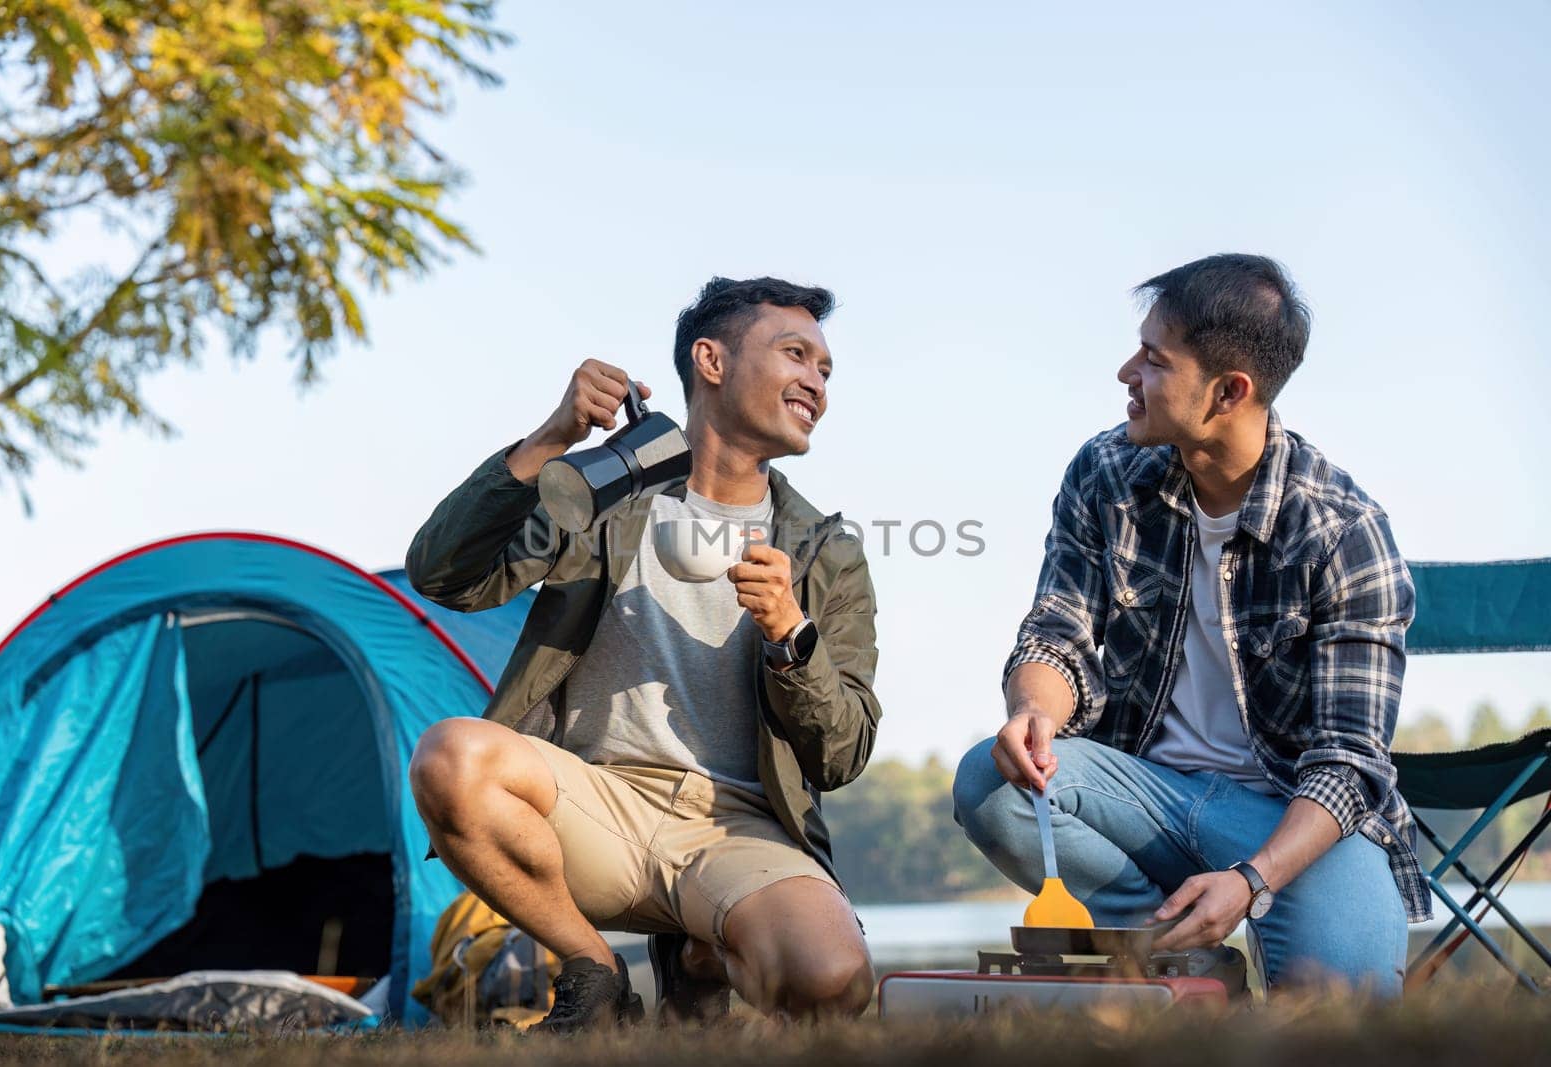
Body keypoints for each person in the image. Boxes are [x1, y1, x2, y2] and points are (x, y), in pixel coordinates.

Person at [405, 277, 880, 1031]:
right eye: (796, 354)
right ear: (711, 360)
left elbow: (843, 753)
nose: (816, 382)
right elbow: (444, 574)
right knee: (450, 757)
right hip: (595, 803)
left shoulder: (826, 551)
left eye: (826, 370)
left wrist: (793, 634)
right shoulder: (602, 495)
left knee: (828, 981)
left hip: (737, 826)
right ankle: (594, 971)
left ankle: (698, 953)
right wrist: (551, 440)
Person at [952, 254, 1425, 996]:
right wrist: (1033, 711)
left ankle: (1217, 929)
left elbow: (1346, 764)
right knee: (991, 776)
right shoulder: (1105, 472)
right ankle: (1178, 954)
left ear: (1229, 391)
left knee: (1344, 1004)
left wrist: (1250, 879)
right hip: (1144, 791)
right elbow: (1057, 631)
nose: (1125, 372)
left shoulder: (1342, 531)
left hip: (1288, 822)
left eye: (1153, 357)